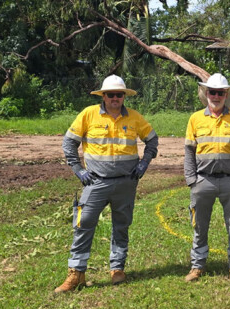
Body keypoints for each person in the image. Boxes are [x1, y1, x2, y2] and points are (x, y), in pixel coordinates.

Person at [55, 75, 159, 293]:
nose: (115, 98)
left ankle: (117, 269)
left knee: (121, 226)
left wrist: (144, 164)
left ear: (124, 97)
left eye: (119, 95)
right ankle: (76, 273)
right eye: (110, 94)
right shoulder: (88, 115)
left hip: (126, 183)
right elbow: (69, 143)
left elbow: (152, 139)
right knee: (83, 224)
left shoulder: (134, 117)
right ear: (103, 96)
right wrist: (78, 170)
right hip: (95, 182)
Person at [183, 73, 230, 283]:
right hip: (203, 181)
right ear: (206, 93)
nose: (216, 96)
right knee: (199, 226)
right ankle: (197, 266)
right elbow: (188, 152)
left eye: (220, 92)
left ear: (226, 95)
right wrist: (191, 180)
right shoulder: (195, 118)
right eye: (212, 92)